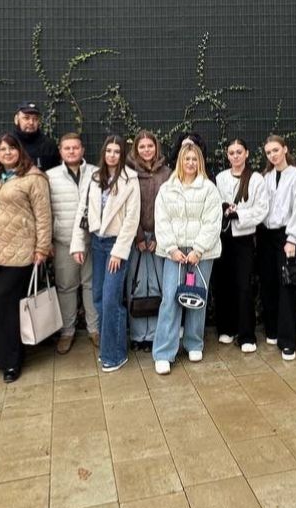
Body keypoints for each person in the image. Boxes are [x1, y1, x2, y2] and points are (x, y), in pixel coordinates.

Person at [0, 134, 53, 383]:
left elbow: (43, 215)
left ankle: (11, 361)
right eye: (1, 149)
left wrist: (42, 248)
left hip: (22, 252)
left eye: (11, 148)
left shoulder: (33, 178)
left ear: (19, 151)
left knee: (8, 303)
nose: (7, 153)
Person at [152, 141, 223, 374]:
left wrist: (198, 249)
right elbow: (161, 220)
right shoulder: (167, 189)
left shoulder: (209, 189)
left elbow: (212, 222)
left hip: (201, 253)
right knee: (170, 298)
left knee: (196, 298)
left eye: (194, 159)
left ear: (199, 162)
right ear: (180, 162)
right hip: (174, 253)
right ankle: (164, 352)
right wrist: (172, 249)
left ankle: (194, 343)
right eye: (187, 159)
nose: (190, 163)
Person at [72, 135, 141, 372]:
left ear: (122, 154)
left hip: (116, 244)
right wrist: (78, 244)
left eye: (117, 151)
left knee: (112, 299)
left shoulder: (131, 179)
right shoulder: (94, 177)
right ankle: (112, 346)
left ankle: (114, 354)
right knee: (99, 297)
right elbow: (82, 212)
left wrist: (119, 252)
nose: (112, 155)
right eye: (109, 151)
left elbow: (131, 219)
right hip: (97, 243)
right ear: (104, 153)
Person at [258, 135, 296, 361]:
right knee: (268, 282)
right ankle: (272, 330)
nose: (272, 155)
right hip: (265, 234)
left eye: (276, 150)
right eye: (269, 152)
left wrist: (293, 239)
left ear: (285, 149)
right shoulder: (266, 177)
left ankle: (288, 341)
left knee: (286, 286)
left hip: (285, 236)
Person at [213, 138, 269, 352]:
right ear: (227, 155)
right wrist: (224, 208)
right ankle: (226, 328)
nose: (235, 156)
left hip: (244, 239)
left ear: (247, 153)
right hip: (223, 238)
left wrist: (239, 214)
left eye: (239, 152)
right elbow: (214, 203)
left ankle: (246, 335)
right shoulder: (220, 178)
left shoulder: (256, 179)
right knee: (223, 284)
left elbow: (262, 209)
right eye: (231, 153)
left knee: (244, 286)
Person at [46, 133, 96, 354]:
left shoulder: (96, 173)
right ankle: (67, 332)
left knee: (91, 285)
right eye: (67, 148)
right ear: (60, 151)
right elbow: (46, 211)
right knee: (66, 287)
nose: (72, 151)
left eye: (75, 147)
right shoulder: (50, 176)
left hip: (91, 241)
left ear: (82, 150)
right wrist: (48, 240)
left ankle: (95, 329)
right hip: (64, 241)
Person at [127, 131, 170, 350]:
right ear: (136, 149)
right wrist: (138, 236)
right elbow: (127, 206)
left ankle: (154, 335)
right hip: (136, 238)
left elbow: (171, 207)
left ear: (156, 147)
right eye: (142, 146)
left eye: (150, 146)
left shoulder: (167, 174)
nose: (146, 150)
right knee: (136, 284)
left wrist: (159, 238)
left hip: (159, 238)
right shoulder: (128, 173)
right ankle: (137, 335)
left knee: (157, 285)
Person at [10, 102, 59, 171]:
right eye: (26, 118)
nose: (31, 122)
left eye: (35, 119)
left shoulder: (48, 145)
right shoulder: (7, 143)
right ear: (16, 119)